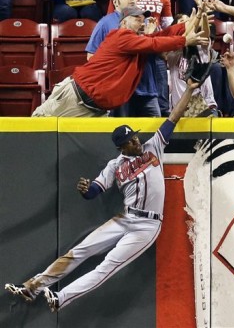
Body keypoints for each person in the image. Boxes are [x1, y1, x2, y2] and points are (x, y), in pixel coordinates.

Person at [5, 77, 200, 312]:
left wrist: (188, 89)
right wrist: (87, 190)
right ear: (122, 147)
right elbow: (94, 191)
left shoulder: (153, 146)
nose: (136, 141)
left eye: (135, 136)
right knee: (78, 252)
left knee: (107, 266)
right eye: (131, 140)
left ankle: (61, 297)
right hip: (125, 218)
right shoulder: (114, 166)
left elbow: (174, 117)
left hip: (147, 225)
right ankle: (32, 286)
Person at [31, 6, 208, 117]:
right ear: (123, 22)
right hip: (75, 98)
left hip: (94, 109)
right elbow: (155, 42)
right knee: (37, 129)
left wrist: (192, 21)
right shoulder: (120, 36)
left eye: (142, 19)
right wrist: (184, 41)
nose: (142, 23)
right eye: (137, 19)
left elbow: (159, 36)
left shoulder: (136, 44)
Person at [86, 0, 161, 117]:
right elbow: (91, 57)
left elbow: (162, 54)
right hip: (120, 90)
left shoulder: (148, 22)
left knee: (155, 133)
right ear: (115, 2)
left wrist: (152, 35)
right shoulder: (105, 23)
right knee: (124, 134)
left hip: (147, 88)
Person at [107, 0, 174, 116]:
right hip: (131, 51)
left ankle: (161, 127)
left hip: (155, 51)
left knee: (160, 99)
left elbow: (168, 26)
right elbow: (113, 21)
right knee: (128, 96)